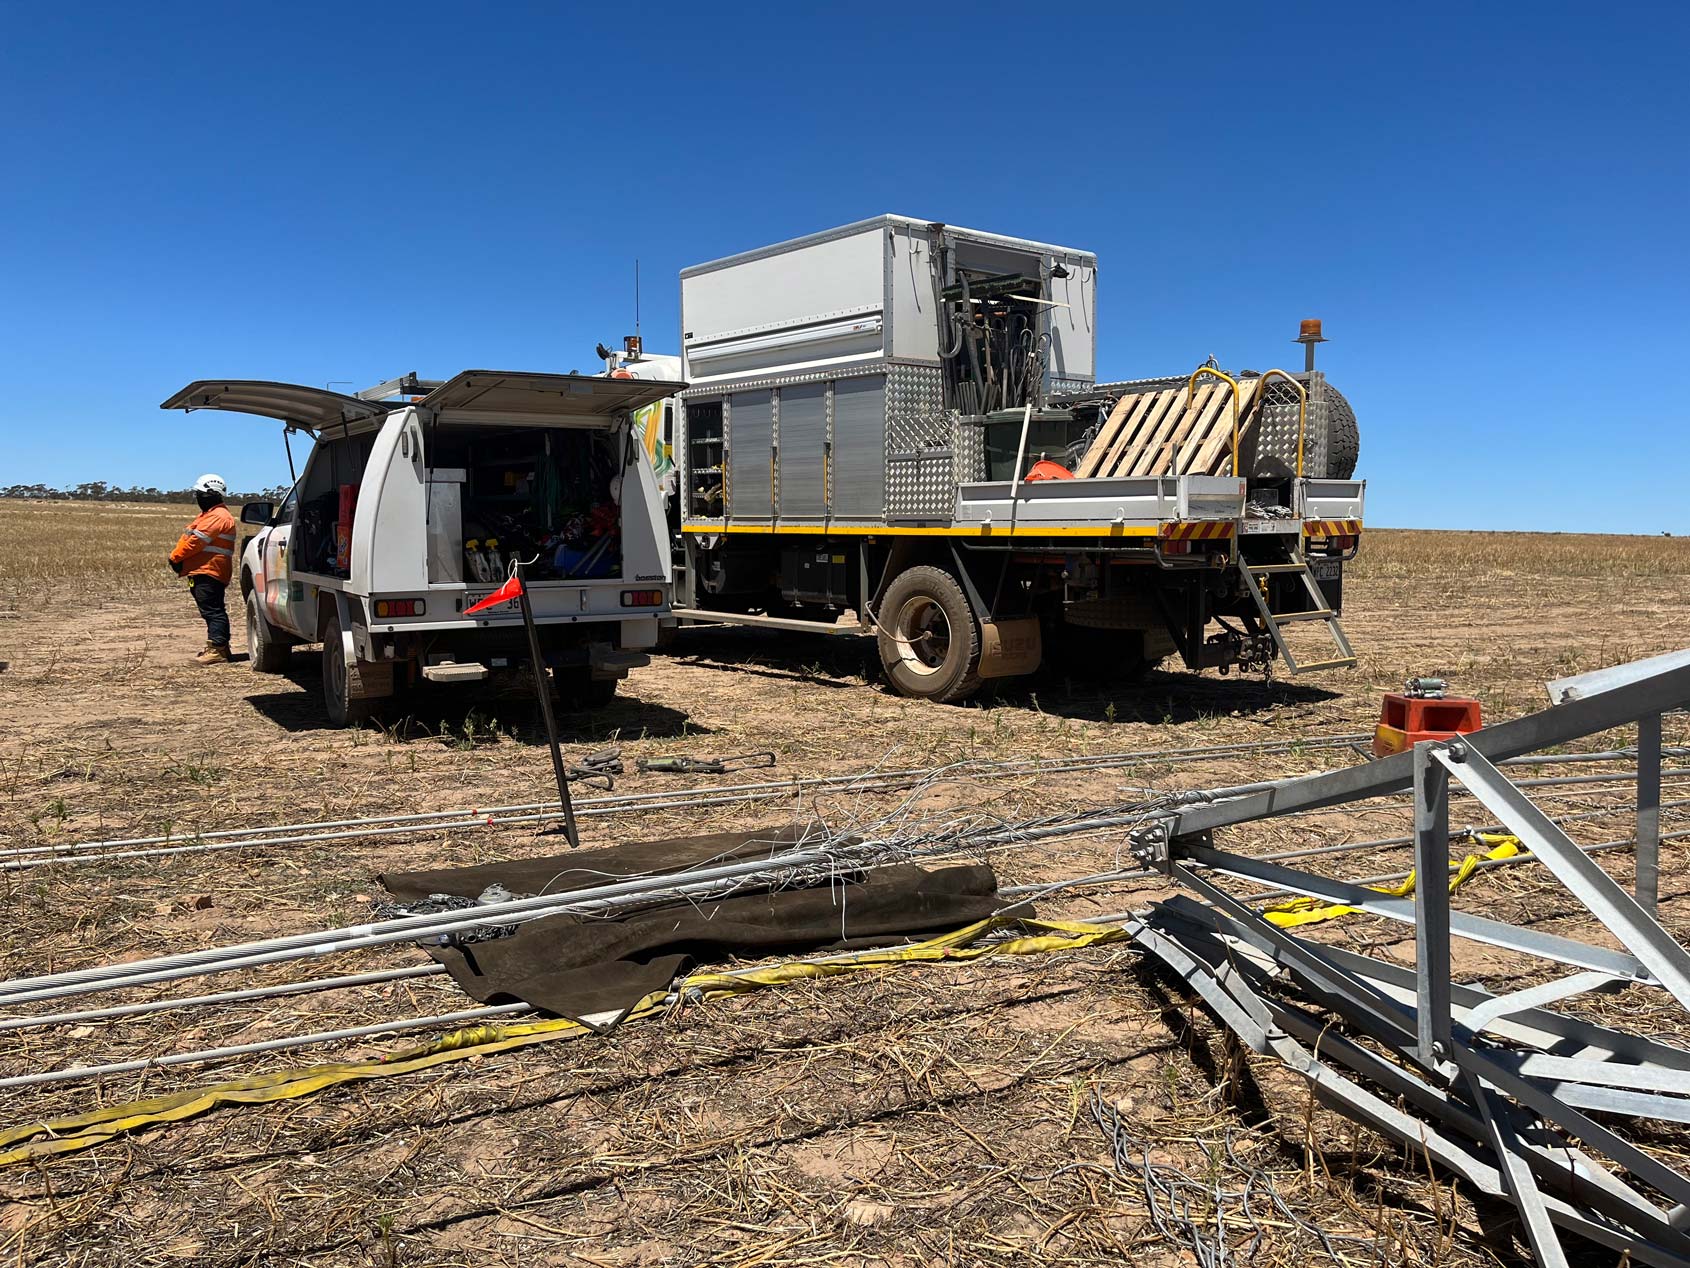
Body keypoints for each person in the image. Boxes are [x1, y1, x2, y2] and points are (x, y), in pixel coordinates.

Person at [169, 474, 238, 665]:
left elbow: (195, 542)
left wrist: (175, 557)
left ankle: (217, 649)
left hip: (210, 570)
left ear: (209, 494)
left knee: (213, 610)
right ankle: (219, 647)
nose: (197, 498)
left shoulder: (217, 517)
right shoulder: (210, 515)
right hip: (202, 570)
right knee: (211, 609)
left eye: (199, 494)